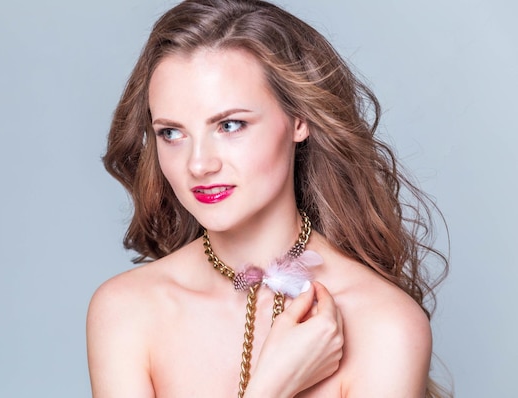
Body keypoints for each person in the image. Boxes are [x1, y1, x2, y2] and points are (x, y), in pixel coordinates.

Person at [87, 0, 450, 397]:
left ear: (299, 120)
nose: (198, 164)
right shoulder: (127, 310)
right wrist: (273, 385)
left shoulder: (385, 324)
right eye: (171, 133)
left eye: (230, 125)